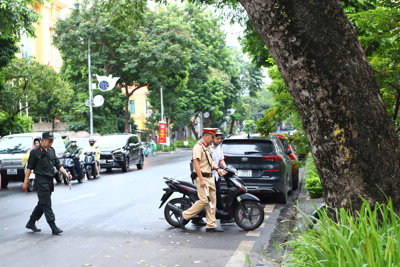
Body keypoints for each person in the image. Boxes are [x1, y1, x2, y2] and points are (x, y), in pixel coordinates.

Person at [22, 131, 72, 235]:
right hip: (41, 180)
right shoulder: (35, 152)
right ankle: (53, 226)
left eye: (52, 141)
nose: (51, 143)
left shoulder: (51, 150)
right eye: (49, 141)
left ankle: (31, 222)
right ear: (43, 140)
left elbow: (58, 165)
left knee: (42, 203)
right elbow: (29, 168)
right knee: (46, 203)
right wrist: (25, 182)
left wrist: (66, 174)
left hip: (50, 180)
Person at [179, 128, 227, 232]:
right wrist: (201, 180)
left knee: (212, 202)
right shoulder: (198, 147)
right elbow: (196, 163)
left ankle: (211, 225)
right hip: (202, 177)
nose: (213, 139)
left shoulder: (207, 147)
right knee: (204, 200)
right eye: (212, 137)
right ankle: (185, 215)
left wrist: (218, 169)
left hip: (211, 177)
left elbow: (211, 162)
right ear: (206, 136)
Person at [210, 130, 234, 224]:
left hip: (216, 176)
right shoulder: (208, 148)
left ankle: (223, 216)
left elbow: (221, 160)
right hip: (208, 176)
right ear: (213, 138)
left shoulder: (219, 147)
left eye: (220, 138)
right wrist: (218, 169)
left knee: (218, 195)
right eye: (217, 138)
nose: (219, 140)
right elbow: (209, 162)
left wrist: (227, 169)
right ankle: (198, 217)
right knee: (207, 198)